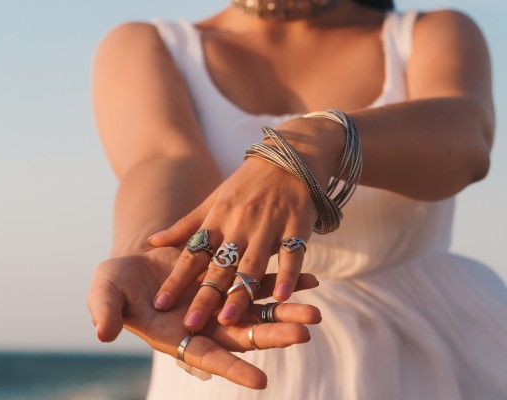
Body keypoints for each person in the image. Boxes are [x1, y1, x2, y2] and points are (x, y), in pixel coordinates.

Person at [88, 0, 507, 398]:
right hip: (231, 330)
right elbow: (163, 158)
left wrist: (311, 143)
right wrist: (146, 249)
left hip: (433, 336)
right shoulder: (149, 45)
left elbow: (467, 140)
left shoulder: (428, 32)